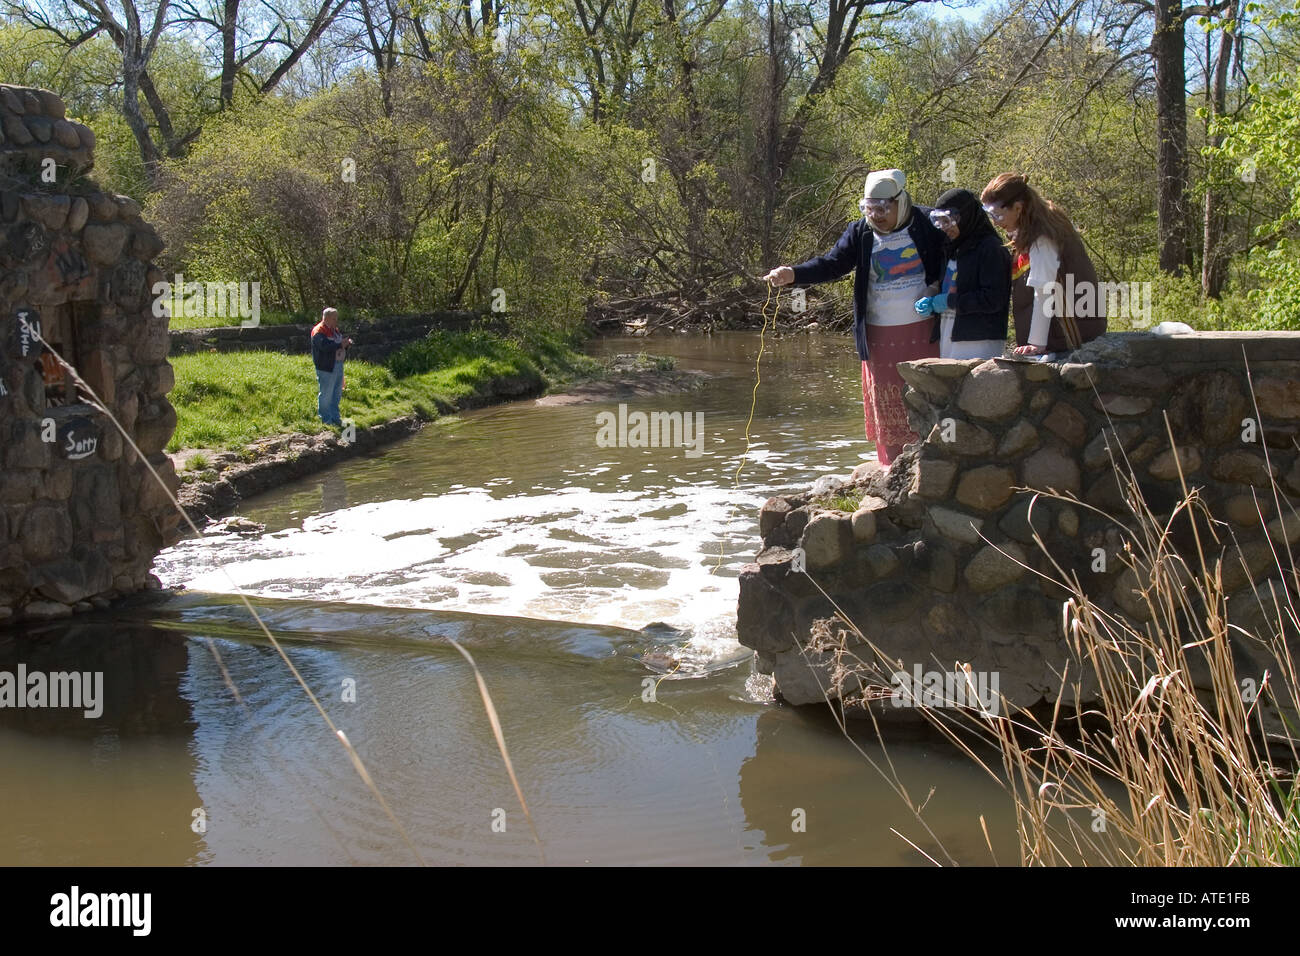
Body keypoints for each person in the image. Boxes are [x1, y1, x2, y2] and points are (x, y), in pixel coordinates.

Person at [763, 168, 946, 466]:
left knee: (925, 397)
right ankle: (892, 470)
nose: (876, 216)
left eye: (884, 208)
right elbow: (833, 264)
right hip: (879, 336)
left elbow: (953, 255)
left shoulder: (928, 223)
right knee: (888, 404)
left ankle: (932, 464)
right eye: (870, 209)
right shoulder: (860, 232)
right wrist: (793, 274)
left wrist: (937, 289)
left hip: (925, 332)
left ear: (902, 202)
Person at [979, 173, 1105, 357]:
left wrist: (1036, 343)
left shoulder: (1042, 237)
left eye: (997, 215)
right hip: (1056, 337)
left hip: (1069, 338)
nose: (995, 222)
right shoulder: (1025, 232)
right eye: (989, 214)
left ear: (1018, 207)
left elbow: (1043, 289)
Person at [913, 187, 1010, 360]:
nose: (943, 228)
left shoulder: (991, 248)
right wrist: (932, 296)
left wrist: (948, 301)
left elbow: (994, 299)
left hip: (980, 340)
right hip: (949, 334)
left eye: (948, 221)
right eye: (939, 221)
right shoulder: (951, 247)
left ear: (965, 216)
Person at [310, 307, 353, 426]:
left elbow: (337, 345)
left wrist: (346, 344)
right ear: (327, 318)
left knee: (336, 394)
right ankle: (326, 420)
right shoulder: (318, 331)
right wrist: (340, 344)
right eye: (334, 318)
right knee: (326, 394)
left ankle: (335, 418)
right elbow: (324, 347)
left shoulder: (335, 330)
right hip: (326, 367)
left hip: (338, 365)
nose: (336, 321)